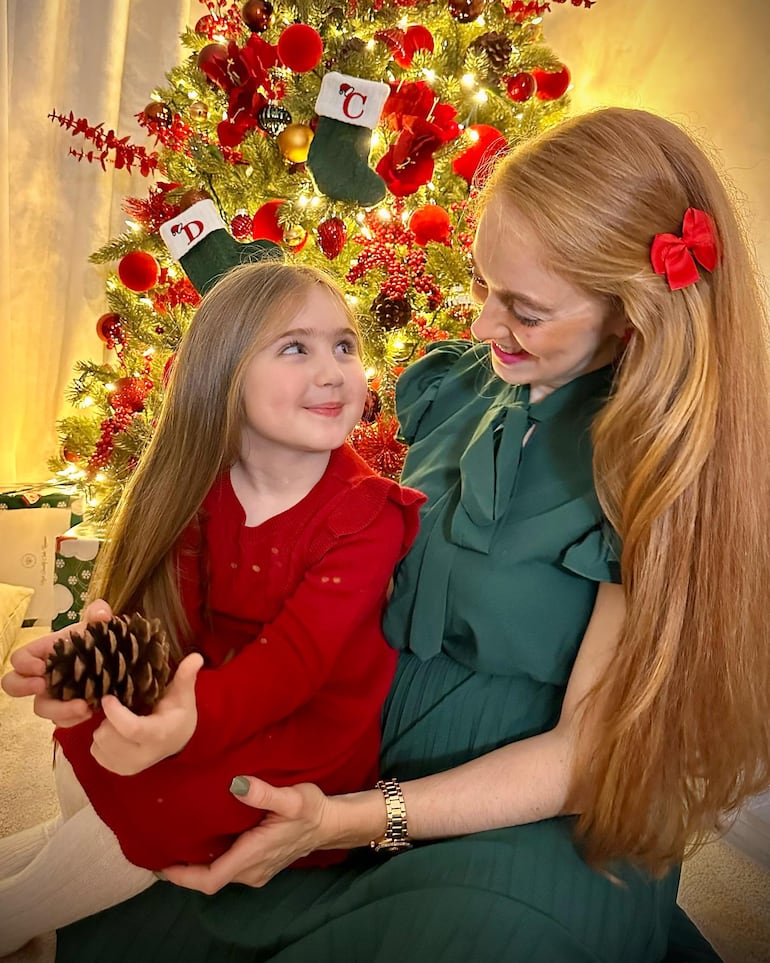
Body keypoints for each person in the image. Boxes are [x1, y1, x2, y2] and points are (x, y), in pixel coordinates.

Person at [5, 105, 770, 962]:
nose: (481, 327)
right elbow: (319, 542)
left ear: (633, 317)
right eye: (482, 285)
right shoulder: (467, 385)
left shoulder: (658, 468)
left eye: (522, 307)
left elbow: (584, 760)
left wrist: (354, 817)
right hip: (358, 737)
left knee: (469, 940)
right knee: (152, 862)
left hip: (523, 807)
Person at [0, 261, 424, 956]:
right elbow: (172, 628)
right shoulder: (206, 488)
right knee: (91, 757)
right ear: (225, 373)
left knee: (158, 806)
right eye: (296, 347)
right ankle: (36, 894)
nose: (333, 369)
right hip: (199, 696)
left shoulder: (367, 514)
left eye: (344, 345)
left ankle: (18, 914)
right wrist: (89, 667)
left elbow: (295, 663)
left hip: (300, 737)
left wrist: (186, 723)